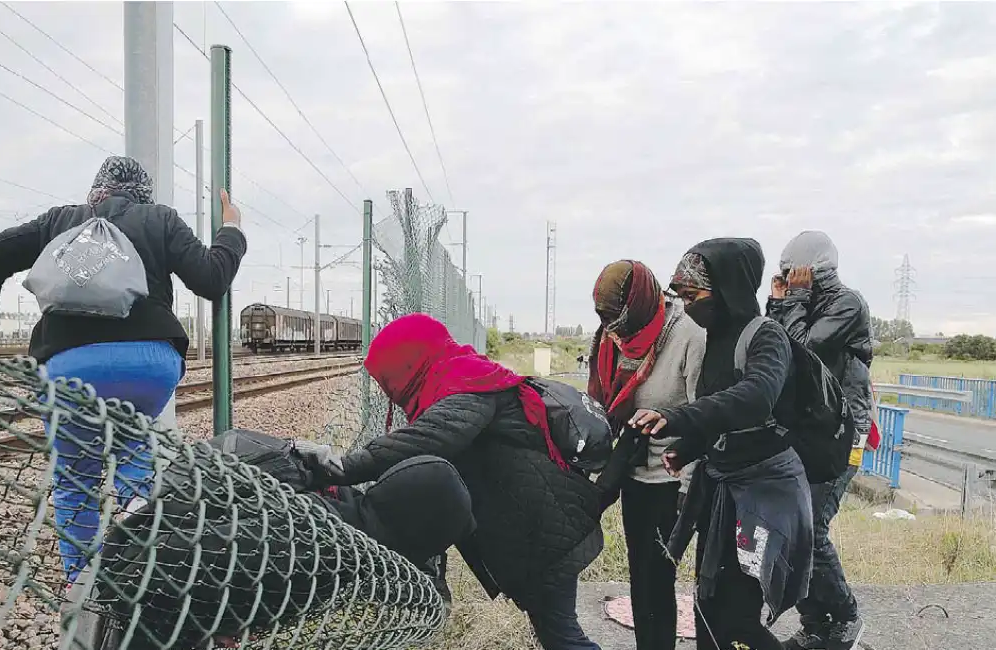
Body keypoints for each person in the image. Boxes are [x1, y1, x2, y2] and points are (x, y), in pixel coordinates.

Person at [0, 155, 247, 584]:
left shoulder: (61, 221)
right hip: (148, 365)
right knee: (136, 459)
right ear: (142, 194)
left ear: (97, 190)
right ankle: (146, 575)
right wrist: (232, 230)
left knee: (76, 476)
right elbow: (211, 279)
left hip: (70, 366)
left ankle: (84, 592)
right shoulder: (160, 219)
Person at [296, 313, 605, 650]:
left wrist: (343, 466)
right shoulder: (459, 377)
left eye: (388, 377)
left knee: (563, 636)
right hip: (535, 529)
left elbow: (427, 439)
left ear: (408, 366)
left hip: (546, 533)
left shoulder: (467, 386)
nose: (387, 389)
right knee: (555, 632)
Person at [630, 238, 814, 650]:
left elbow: (754, 398)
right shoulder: (714, 337)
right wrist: (690, 447)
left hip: (764, 496)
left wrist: (679, 419)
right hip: (723, 490)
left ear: (727, 288)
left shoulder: (767, 336)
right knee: (709, 608)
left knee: (735, 618)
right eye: (681, 297)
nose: (688, 306)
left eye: (693, 296)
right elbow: (718, 409)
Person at [587, 260, 705, 650]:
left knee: (658, 578)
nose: (617, 336)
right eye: (609, 325)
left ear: (639, 305)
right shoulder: (609, 337)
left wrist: (687, 492)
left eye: (620, 324)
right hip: (631, 474)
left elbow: (702, 418)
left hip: (670, 481)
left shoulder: (688, 335)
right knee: (639, 577)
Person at [767, 230, 873, 650]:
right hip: (811, 428)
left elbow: (803, 351)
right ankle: (815, 623)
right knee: (793, 526)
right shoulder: (801, 302)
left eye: (793, 273)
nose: (789, 278)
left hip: (845, 430)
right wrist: (778, 303)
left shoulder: (847, 303)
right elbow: (774, 348)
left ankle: (846, 617)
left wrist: (792, 302)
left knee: (813, 525)